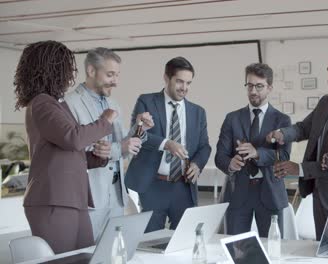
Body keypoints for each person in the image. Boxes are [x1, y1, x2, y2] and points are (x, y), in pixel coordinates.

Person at [14, 40, 117, 253]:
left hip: (71, 199)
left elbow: (68, 150)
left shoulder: (55, 105)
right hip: (53, 199)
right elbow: (73, 137)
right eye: (65, 68)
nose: (69, 75)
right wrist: (104, 122)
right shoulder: (42, 102)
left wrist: (98, 158)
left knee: (85, 257)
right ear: (51, 70)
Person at [266, 51, 328, 241]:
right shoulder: (326, 101)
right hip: (318, 187)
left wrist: (300, 168)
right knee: (324, 245)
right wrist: (282, 134)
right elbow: (305, 128)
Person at [65, 47, 154, 240]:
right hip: (91, 196)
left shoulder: (114, 104)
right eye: (110, 74)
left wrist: (139, 129)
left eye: (117, 75)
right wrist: (118, 148)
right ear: (91, 71)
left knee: (114, 252)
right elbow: (76, 148)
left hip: (116, 196)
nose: (116, 81)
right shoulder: (70, 103)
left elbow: (122, 149)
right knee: (88, 254)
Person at [125, 56, 211, 232]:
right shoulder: (146, 101)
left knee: (184, 239)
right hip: (152, 185)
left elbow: (205, 146)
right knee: (150, 242)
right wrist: (166, 143)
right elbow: (138, 134)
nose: (184, 88)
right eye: (180, 81)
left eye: (188, 83)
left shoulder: (198, 112)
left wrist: (197, 164)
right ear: (166, 78)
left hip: (183, 187)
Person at [215, 63, 292, 237]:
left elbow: (284, 156)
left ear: (269, 88)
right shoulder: (232, 118)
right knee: (235, 248)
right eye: (249, 86)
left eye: (259, 86)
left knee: (272, 249)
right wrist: (230, 163)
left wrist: (257, 153)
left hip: (270, 193)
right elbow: (220, 156)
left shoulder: (283, 120)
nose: (253, 91)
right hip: (238, 194)